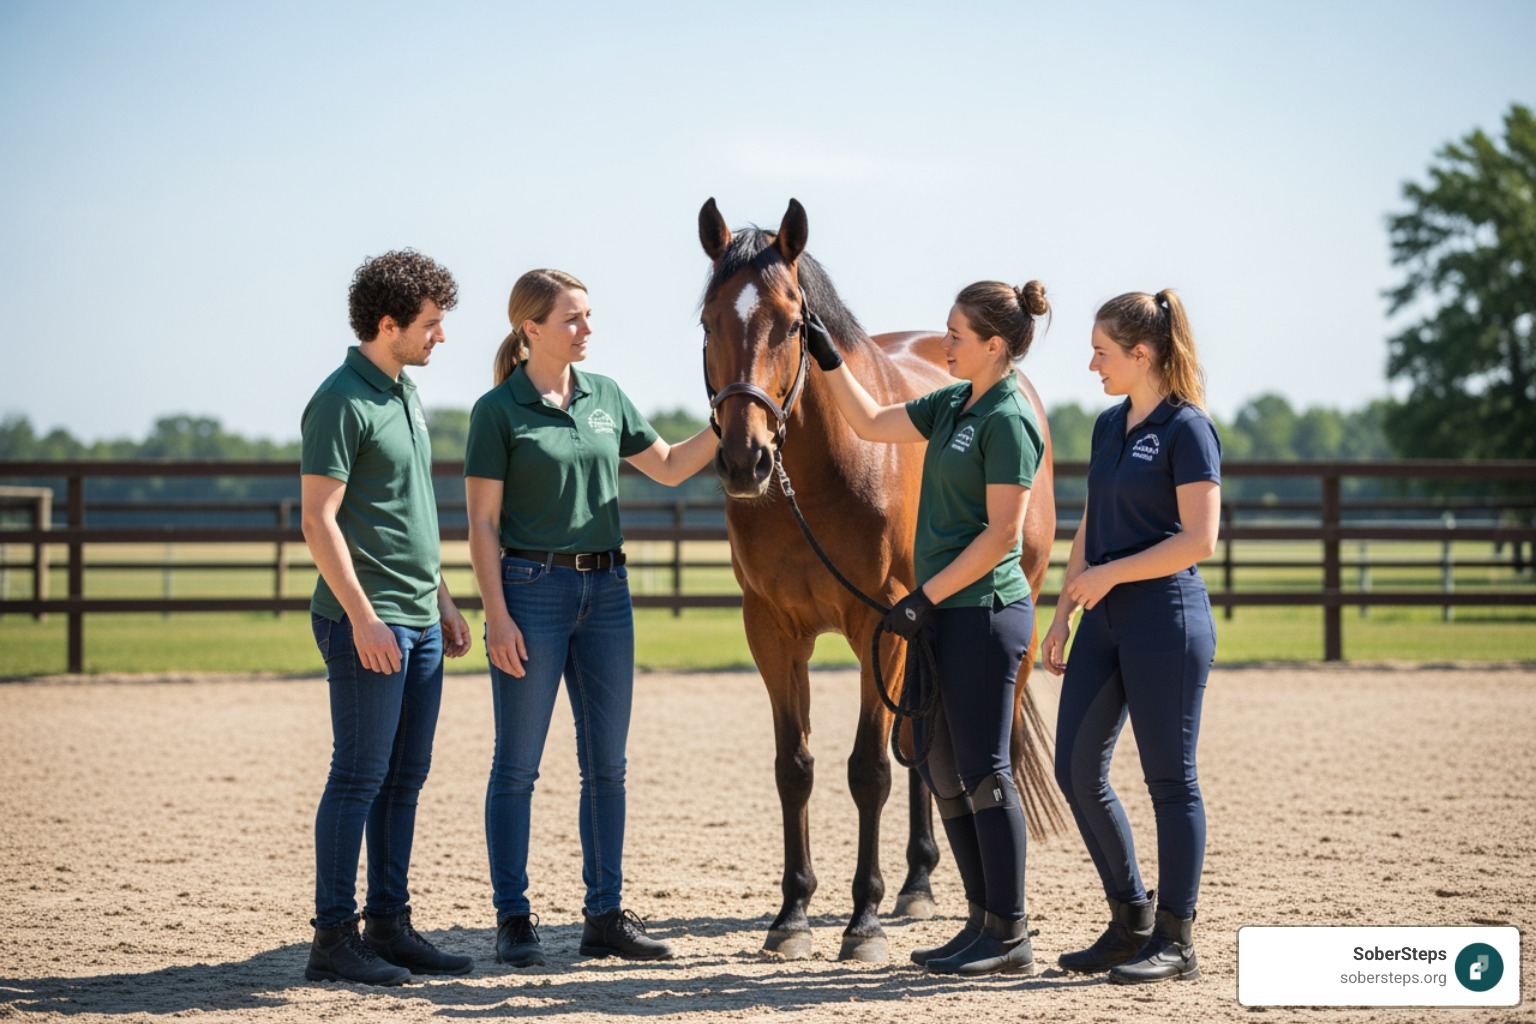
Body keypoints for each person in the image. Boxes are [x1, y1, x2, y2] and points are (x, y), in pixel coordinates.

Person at [464, 269, 719, 966]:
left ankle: (603, 917)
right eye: (572, 318)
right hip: (530, 591)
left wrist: (731, 418)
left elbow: (668, 467)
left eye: (587, 316)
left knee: (608, 765)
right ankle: (513, 920)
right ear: (531, 329)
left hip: (608, 593)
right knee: (516, 766)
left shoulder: (606, 397)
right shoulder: (499, 411)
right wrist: (496, 614)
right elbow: (482, 525)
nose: (587, 329)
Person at [803, 280, 1050, 976]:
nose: (944, 343)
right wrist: (827, 358)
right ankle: (979, 922)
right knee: (939, 765)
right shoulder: (951, 403)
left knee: (984, 768)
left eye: (957, 335)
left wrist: (923, 596)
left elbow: (1003, 533)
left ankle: (1010, 931)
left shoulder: (1008, 417)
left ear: (994, 346)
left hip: (985, 612)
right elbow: (871, 421)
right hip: (944, 611)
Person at [299, 249, 475, 985]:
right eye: (432, 324)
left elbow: (407, 512)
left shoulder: (404, 393)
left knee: (405, 777)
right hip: (368, 624)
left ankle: (390, 924)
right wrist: (364, 618)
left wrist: (442, 598)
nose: (441, 336)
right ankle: (332, 940)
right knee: (359, 775)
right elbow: (318, 519)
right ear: (388, 323)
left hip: (421, 618)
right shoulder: (341, 399)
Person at [1041, 290, 1220, 985]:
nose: (1092, 364)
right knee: (1075, 769)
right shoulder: (1109, 425)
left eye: (1102, 352)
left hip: (1167, 620)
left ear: (1141, 354)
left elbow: (1198, 540)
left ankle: (1177, 938)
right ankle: (1130, 919)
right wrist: (1063, 612)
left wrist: (1110, 576)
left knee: (1170, 780)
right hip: (1104, 617)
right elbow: (1091, 521)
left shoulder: (1188, 429)